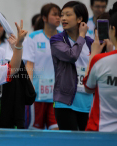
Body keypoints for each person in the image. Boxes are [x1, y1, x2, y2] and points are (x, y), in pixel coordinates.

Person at [50, 1, 94, 131]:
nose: (63, 18)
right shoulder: (56, 40)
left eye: (68, 15)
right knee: (70, 142)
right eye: (62, 15)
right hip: (65, 102)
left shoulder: (91, 43)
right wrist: (81, 36)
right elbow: (71, 56)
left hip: (87, 102)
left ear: (80, 19)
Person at [23, 3, 61, 130]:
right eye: (54, 14)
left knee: (55, 128)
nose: (58, 17)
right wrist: (30, 87)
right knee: (35, 130)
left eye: (59, 15)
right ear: (44, 18)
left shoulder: (64, 37)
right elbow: (29, 64)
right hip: (38, 93)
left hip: (57, 94)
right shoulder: (33, 38)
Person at [83, 3, 117, 132]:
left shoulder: (99, 60)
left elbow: (88, 88)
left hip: (100, 130)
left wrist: (94, 55)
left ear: (112, 30)